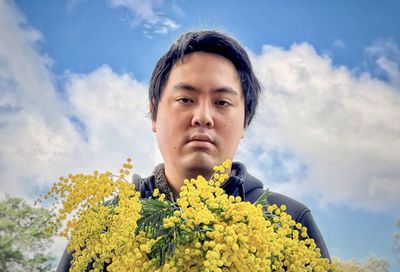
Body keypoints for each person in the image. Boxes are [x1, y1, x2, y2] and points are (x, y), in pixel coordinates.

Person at [57, 30, 330, 271]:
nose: (203, 117)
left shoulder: (289, 222)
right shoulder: (103, 228)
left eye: (222, 102)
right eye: (185, 99)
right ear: (153, 114)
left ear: (245, 121)